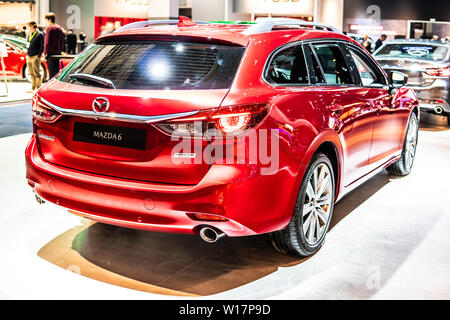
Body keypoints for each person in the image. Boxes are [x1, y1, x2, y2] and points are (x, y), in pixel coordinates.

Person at [43, 12, 64, 79]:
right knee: (56, 72)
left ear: (49, 20)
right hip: (57, 53)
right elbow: (61, 41)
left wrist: (45, 52)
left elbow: (47, 42)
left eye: (46, 20)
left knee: (51, 72)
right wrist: (60, 51)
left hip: (50, 53)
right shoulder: (59, 28)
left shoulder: (49, 28)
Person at [25, 21, 44, 92]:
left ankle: (38, 87)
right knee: (31, 72)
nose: (28, 28)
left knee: (36, 72)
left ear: (33, 26)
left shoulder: (40, 34)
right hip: (29, 55)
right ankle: (33, 87)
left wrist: (38, 56)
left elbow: (42, 46)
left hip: (35, 56)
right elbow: (28, 44)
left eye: (29, 26)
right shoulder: (29, 34)